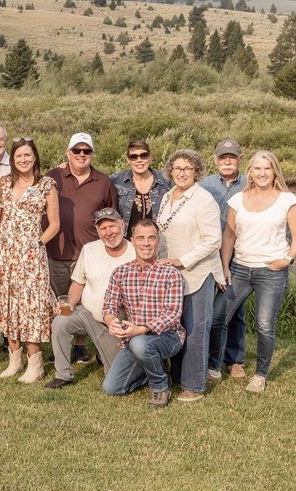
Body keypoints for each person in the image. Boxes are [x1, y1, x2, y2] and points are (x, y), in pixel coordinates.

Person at [221, 151, 296, 394]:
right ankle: (215, 366)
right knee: (220, 317)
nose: (262, 173)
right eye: (257, 168)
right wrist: (226, 266)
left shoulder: (287, 200)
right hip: (239, 268)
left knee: (265, 324)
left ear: (274, 171)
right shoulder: (238, 200)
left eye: (267, 168)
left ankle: (260, 375)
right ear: (250, 172)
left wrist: (286, 260)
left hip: (271, 271)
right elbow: (229, 235)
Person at [0, 137, 60, 384]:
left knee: (29, 306)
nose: (23, 160)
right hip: (4, 254)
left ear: (34, 157)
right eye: (19, 156)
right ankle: (14, 360)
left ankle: (35, 363)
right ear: (13, 160)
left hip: (31, 255)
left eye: (27, 155)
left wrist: (36, 243)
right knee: (7, 303)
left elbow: (54, 224)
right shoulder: (3, 184)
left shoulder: (47, 185)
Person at [155, 149, 223, 403]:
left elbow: (212, 241)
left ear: (197, 172)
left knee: (195, 330)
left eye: (188, 168)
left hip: (196, 272)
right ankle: (177, 377)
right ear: (170, 171)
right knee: (176, 326)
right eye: (177, 168)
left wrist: (182, 261)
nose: (182, 173)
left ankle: (194, 385)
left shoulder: (203, 199)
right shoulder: (167, 196)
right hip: (170, 275)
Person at [45, 131, 117, 364]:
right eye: (77, 150)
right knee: (61, 300)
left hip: (89, 253)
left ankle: (80, 344)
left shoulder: (103, 181)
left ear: (92, 154)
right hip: (56, 251)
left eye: (87, 151)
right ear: (68, 153)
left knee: (85, 301)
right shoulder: (53, 176)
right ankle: (62, 345)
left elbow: (112, 216)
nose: (81, 155)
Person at [45, 208, 136, 389]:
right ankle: (63, 374)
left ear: (122, 225)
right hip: (88, 315)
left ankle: (107, 354)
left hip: (119, 324)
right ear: (97, 231)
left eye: (112, 226)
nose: (109, 232)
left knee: (116, 378)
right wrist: (69, 303)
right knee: (61, 321)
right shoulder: (89, 249)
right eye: (103, 228)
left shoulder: (135, 252)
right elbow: (78, 283)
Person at [101, 220, 186, 409]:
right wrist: (111, 321)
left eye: (151, 238)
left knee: (140, 342)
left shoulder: (170, 274)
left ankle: (160, 386)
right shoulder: (121, 272)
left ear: (157, 242)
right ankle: (155, 369)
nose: (146, 243)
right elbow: (109, 305)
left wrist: (141, 329)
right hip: (134, 339)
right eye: (140, 238)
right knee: (111, 388)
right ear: (132, 241)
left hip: (167, 336)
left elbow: (173, 313)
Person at [202, 138, 248, 381]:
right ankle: (209, 358)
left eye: (232, 157)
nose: (227, 161)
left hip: (240, 255)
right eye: (222, 157)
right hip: (209, 254)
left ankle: (235, 360)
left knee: (235, 308)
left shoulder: (251, 184)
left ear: (240, 158)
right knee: (210, 308)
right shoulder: (205, 184)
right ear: (215, 159)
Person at [109, 139, 171, 238]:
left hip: (156, 246)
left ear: (150, 157)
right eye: (133, 157)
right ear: (128, 160)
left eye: (143, 155)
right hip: (127, 245)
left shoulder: (165, 181)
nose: (139, 160)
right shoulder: (116, 181)